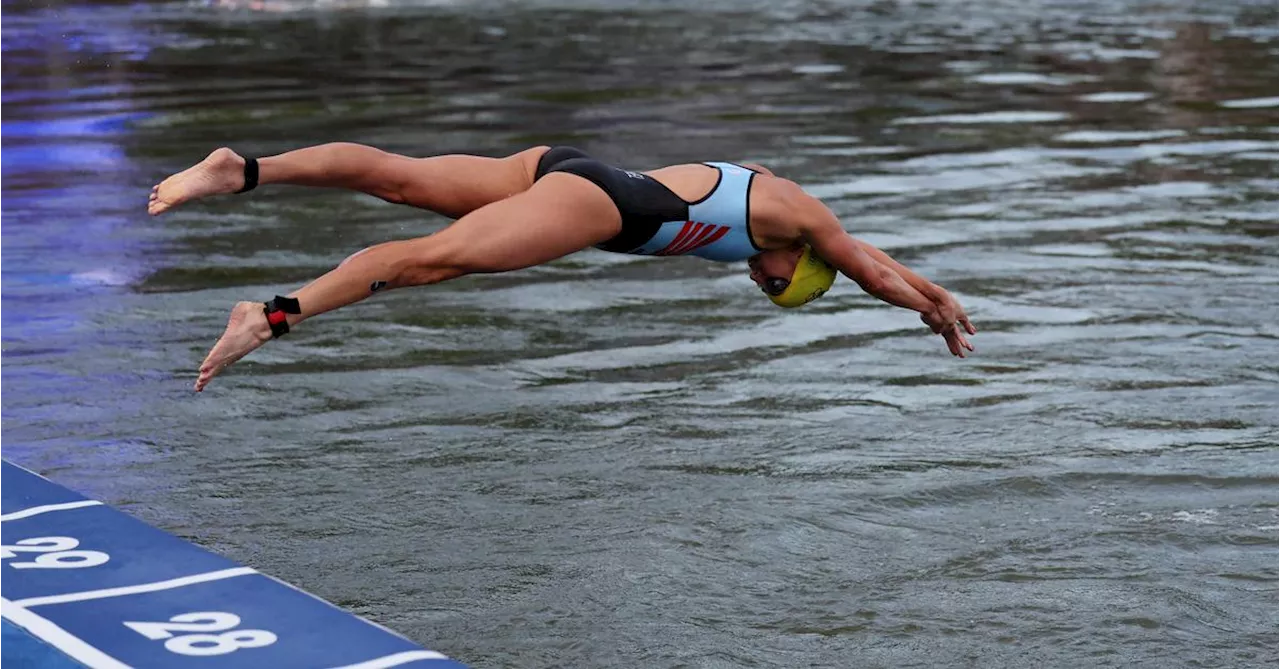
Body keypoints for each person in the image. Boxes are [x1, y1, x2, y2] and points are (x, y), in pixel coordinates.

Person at [148, 144, 976, 392]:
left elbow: (865, 254)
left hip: (563, 170)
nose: (757, 282)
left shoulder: (803, 229)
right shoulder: (793, 212)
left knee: (397, 181)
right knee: (427, 263)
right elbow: (863, 267)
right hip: (599, 207)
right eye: (774, 283)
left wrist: (936, 292)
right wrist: (924, 312)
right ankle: (271, 315)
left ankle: (242, 170)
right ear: (798, 261)